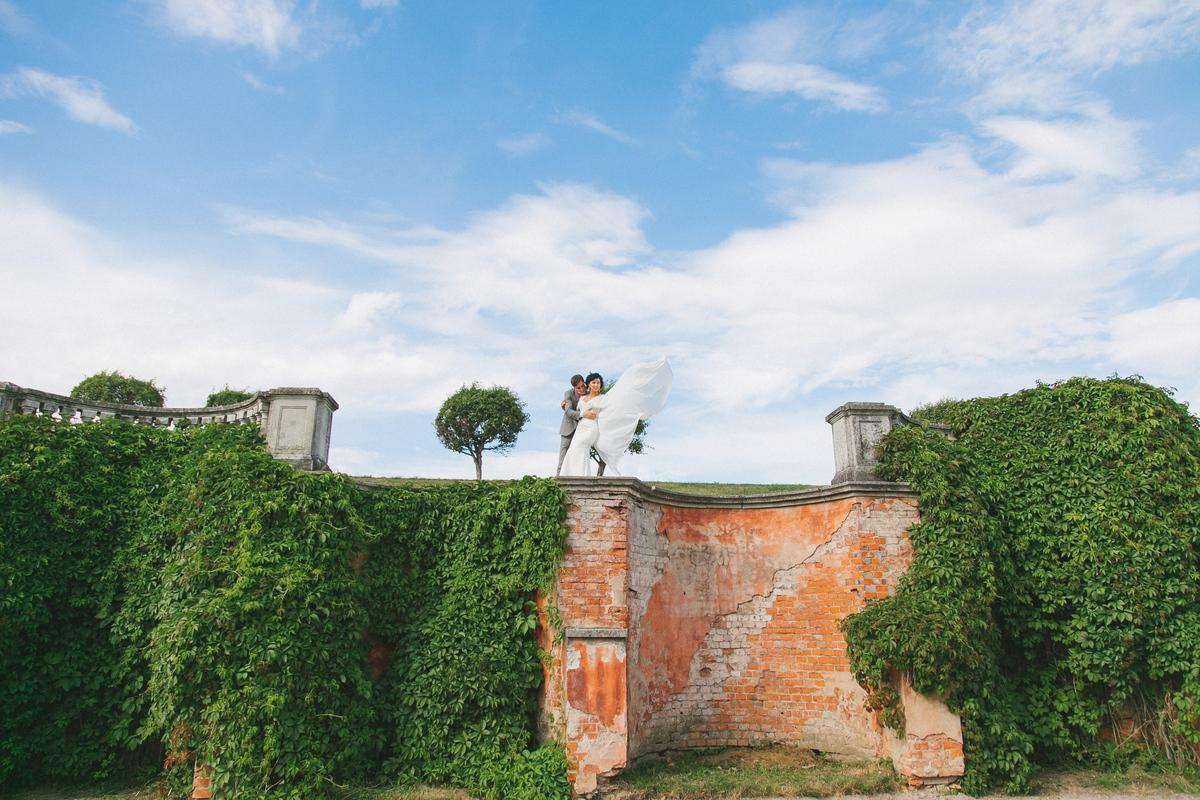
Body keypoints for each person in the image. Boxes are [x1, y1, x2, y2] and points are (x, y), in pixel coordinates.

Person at [559, 357, 672, 477]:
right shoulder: (582, 398)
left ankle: (578, 478)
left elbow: (601, 410)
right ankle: (571, 477)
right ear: (589, 384)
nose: (596, 385)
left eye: (598, 382)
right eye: (594, 382)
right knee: (574, 450)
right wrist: (565, 408)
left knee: (579, 448)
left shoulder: (602, 398)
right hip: (580, 428)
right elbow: (575, 412)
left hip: (591, 429)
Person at [556, 374, 587, 476]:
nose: (581, 389)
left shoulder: (589, 394)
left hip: (583, 430)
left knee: (579, 458)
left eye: (582, 386)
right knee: (563, 457)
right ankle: (558, 480)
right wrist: (582, 414)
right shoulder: (568, 393)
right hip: (568, 429)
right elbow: (569, 411)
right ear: (574, 387)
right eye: (578, 388)